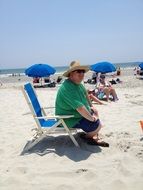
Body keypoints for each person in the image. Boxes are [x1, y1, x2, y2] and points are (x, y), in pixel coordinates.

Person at [55, 61, 109, 147]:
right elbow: (80, 108)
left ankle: (92, 134)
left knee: (96, 118)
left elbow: (86, 94)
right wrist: (92, 119)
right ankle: (87, 137)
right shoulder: (68, 88)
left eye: (82, 71)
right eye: (78, 71)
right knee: (97, 125)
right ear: (71, 74)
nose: (81, 74)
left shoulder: (78, 84)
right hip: (68, 119)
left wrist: (91, 106)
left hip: (77, 115)